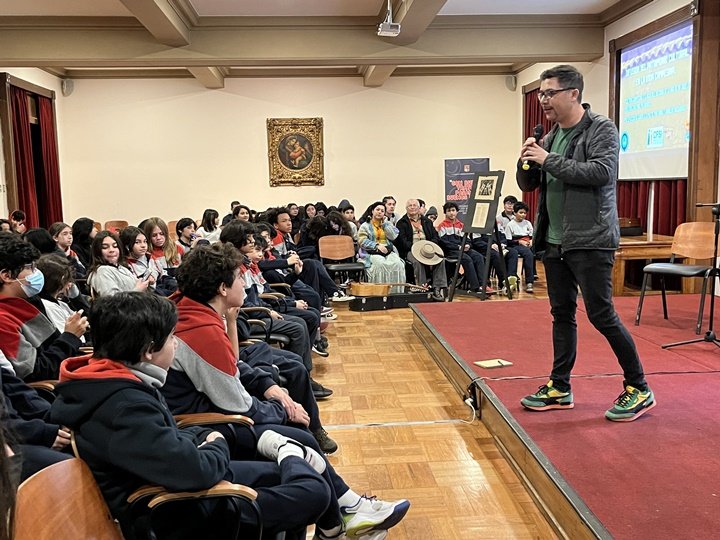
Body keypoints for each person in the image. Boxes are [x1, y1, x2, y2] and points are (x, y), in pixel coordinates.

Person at [159, 247, 410, 539]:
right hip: (205, 427)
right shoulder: (199, 329)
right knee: (300, 434)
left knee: (295, 421)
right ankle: (341, 519)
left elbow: (232, 367)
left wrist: (271, 388)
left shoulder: (193, 311)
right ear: (222, 288)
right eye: (239, 277)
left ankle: (341, 518)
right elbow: (236, 401)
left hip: (210, 415)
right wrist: (283, 408)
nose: (245, 283)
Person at [49, 292, 335, 540]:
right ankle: (290, 457)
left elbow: (170, 437)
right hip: (174, 511)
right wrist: (216, 440)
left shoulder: (115, 381)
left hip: (176, 487)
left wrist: (206, 439)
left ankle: (291, 460)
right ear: (148, 350)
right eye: (171, 338)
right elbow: (195, 470)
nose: (176, 344)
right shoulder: (124, 405)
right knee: (312, 491)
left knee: (301, 477)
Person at [517, 64, 655, 422]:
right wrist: (528, 160)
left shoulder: (601, 129)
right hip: (554, 240)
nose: (543, 100)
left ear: (574, 93)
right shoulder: (550, 137)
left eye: (550, 93)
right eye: (541, 94)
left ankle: (639, 387)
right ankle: (559, 386)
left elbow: (601, 173)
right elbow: (530, 186)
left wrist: (549, 159)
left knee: (601, 314)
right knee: (562, 314)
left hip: (590, 239)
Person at [0, 232, 87, 381]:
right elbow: (35, 372)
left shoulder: (27, 302)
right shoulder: (3, 320)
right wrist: (70, 336)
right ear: (7, 276)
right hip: (53, 386)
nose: (37, 273)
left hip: (69, 372)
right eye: (31, 267)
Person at [395, 199, 447, 300]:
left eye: (415, 205)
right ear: (406, 208)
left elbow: (435, 237)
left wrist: (430, 246)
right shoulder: (401, 223)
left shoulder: (427, 221)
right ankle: (422, 287)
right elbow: (402, 241)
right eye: (410, 205)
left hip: (427, 249)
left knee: (440, 259)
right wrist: (415, 247)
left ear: (419, 208)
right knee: (417, 261)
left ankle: (437, 288)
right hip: (410, 249)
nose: (412, 207)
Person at [436, 202, 489, 293]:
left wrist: (468, 245)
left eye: (453, 210)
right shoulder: (442, 226)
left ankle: (483, 285)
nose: (451, 213)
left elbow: (468, 240)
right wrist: (458, 247)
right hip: (450, 251)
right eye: (449, 211)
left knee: (478, 257)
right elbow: (444, 243)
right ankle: (475, 287)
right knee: (467, 259)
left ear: (457, 212)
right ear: (445, 213)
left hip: (463, 249)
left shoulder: (461, 225)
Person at [87, 231, 152, 297]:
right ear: (97, 251)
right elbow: (112, 300)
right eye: (105, 247)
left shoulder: (122, 267)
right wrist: (138, 290)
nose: (111, 250)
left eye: (115, 246)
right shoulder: (102, 271)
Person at [357, 202, 406, 288]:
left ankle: (394, 291)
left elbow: (393, 236)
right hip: (371, 251)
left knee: (398, 264)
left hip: (387, 250)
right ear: (372, 211)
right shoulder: (365, 226)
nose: (379, 212)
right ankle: (380, 290)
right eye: (377, 210)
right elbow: (362, 240)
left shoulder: (387, 224)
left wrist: (385, 224)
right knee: (380, 264)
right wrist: (376, 245)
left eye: (382, 211)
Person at [503, 201, 535, 293]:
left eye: (524, 213)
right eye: (521, 212)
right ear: (515, 213)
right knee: (528, 254)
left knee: (532, 252)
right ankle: (529, 282)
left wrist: (531, 241)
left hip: (527, 243)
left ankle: (532, 276)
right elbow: (508, 241)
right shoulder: (510, 225)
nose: (523, 215)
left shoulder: (528, 223)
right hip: (515, 245)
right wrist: (519, 242)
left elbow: (532, 235)